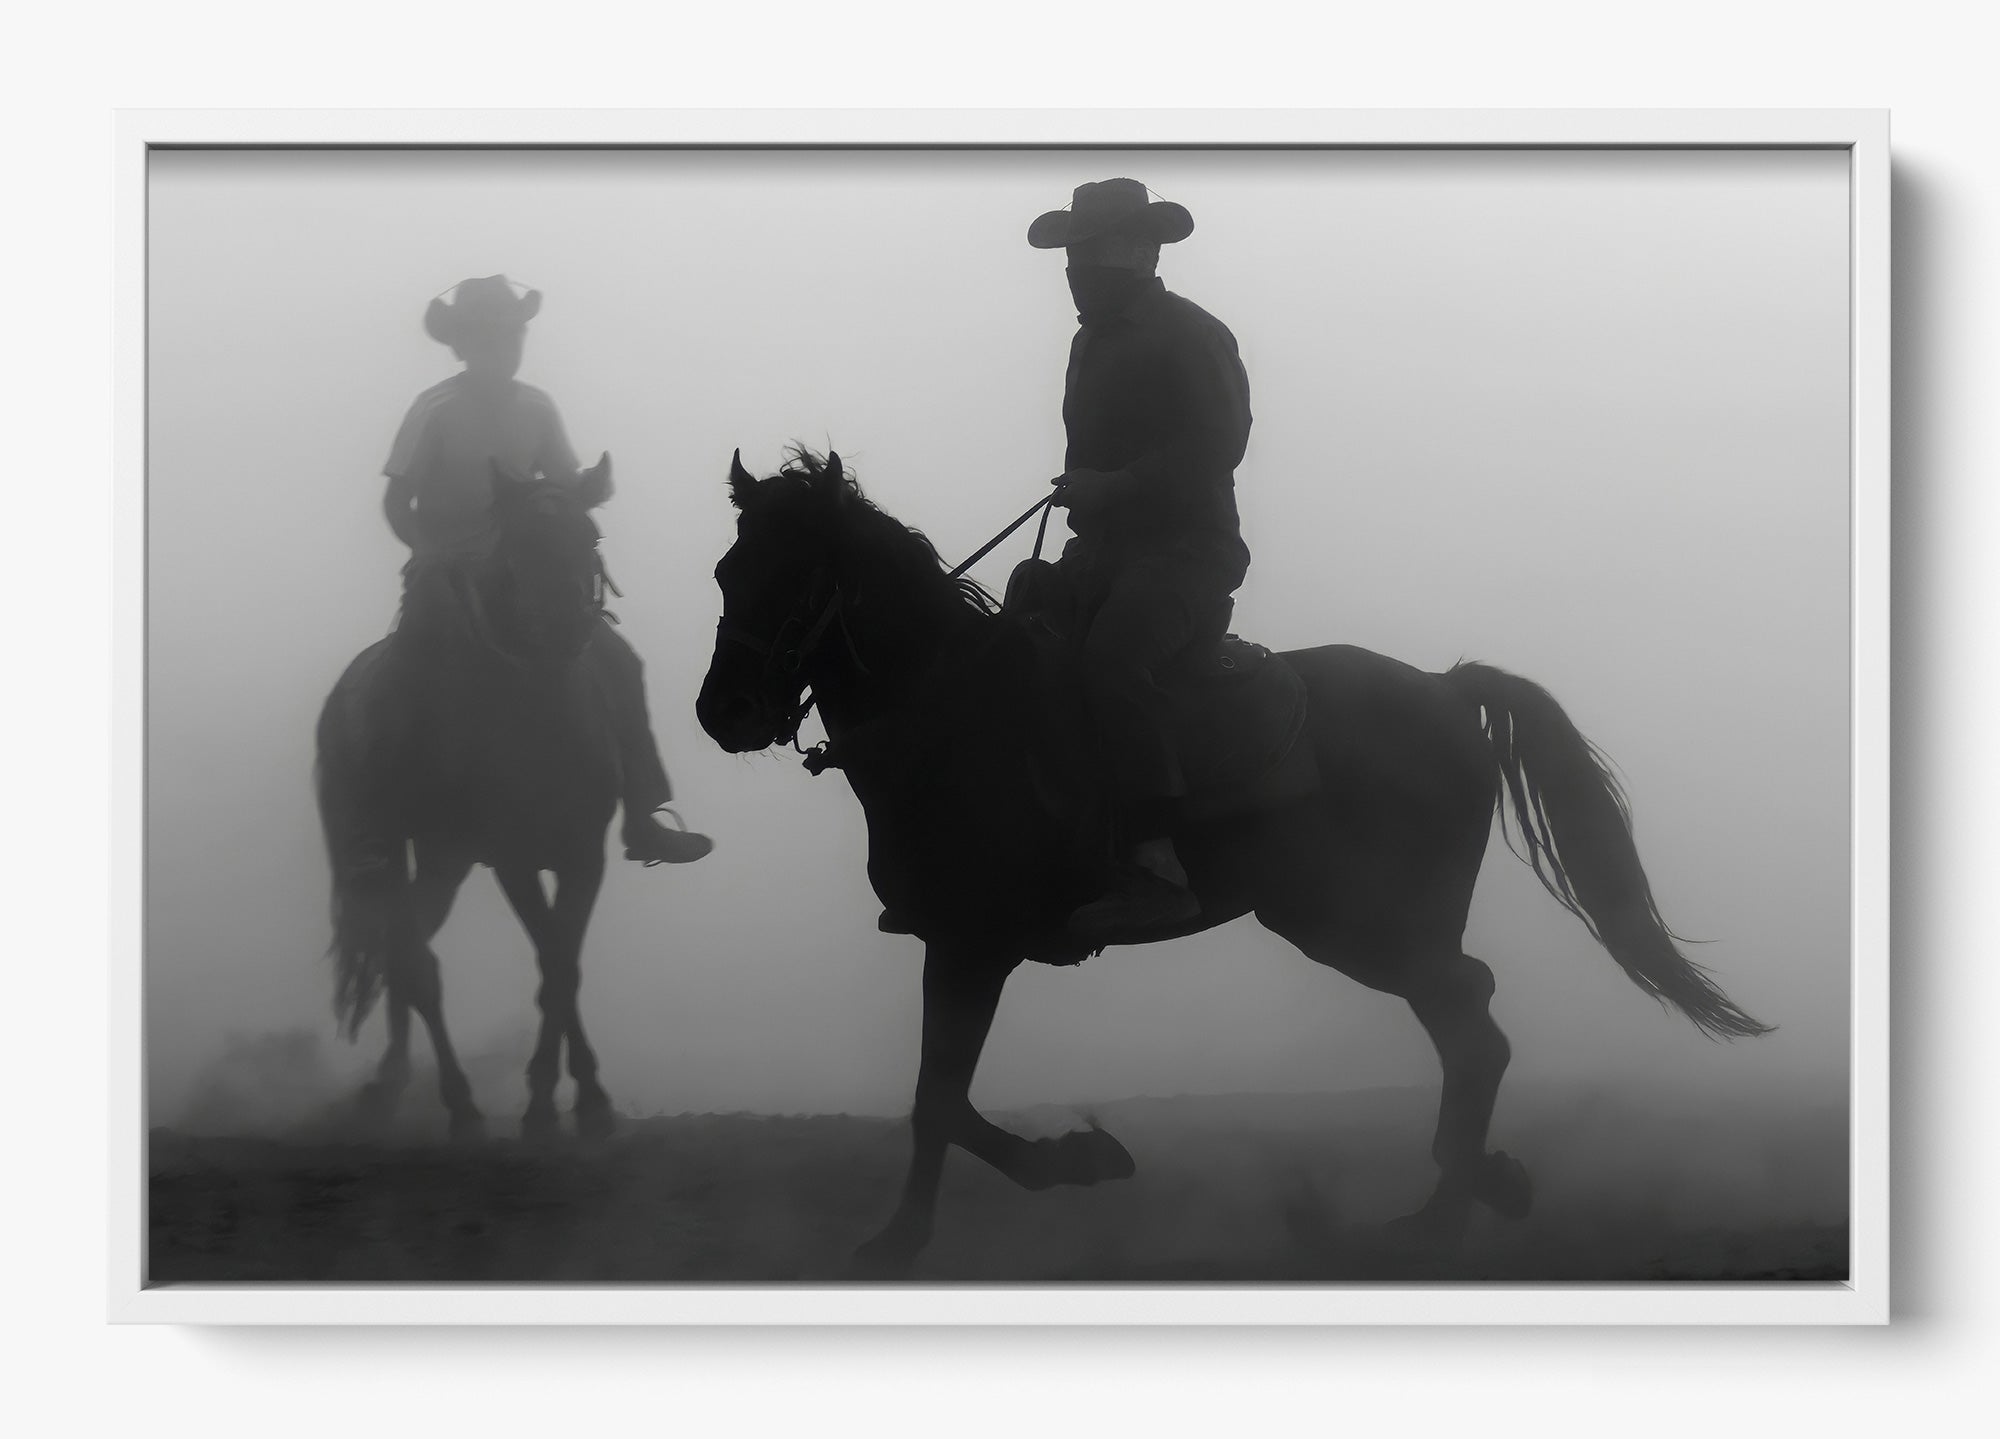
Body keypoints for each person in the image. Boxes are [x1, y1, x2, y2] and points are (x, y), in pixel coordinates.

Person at [381, 275, 712, 866]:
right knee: (406, 668)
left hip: (523, 575)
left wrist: (585, 496)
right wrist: (428, 551)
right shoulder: (435, 409)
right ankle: (379, 818)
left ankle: (641, 814)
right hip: (443, 571)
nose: (505, 348)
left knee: (618, 662)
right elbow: (394, 502)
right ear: (463, 345)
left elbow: (562, 487)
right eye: (491, 337)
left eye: (513, 336)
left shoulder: (537, 407)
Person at [1028, 179, 1254, 941]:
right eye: (1074, 253)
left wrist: (1116, 485)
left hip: (1191, 551)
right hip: (1106, 551)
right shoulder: (1089, 341)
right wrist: (1085, 494)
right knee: (1016, 636)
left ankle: (1159, 865)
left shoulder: (1193, 333)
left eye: (1094, 250)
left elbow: (1221, 444)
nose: (1079, 267)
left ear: (1144, 251)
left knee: (1114, 660)